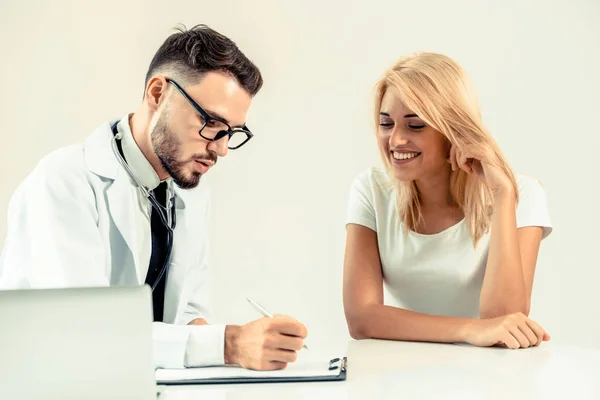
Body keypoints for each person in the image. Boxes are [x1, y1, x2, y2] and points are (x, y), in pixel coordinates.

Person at [0, 24, 307, 370]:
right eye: (211, 123)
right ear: (158, 93)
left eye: (232, 133)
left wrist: (239, 344)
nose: (221, 149)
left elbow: (187, 311)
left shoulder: (188, 191)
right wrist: (229, 344)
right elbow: (83, 333)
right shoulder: (62, 183)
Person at [343, 52, 552, 350]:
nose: (396, 140)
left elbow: (505, 319)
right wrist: (470, 330)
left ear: (453, 129)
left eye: (415, 126)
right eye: (386, 124)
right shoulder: (371, 189)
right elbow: (362, 318)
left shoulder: (522, 193)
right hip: (403, 369)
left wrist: (503, 196)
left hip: (492, 376)